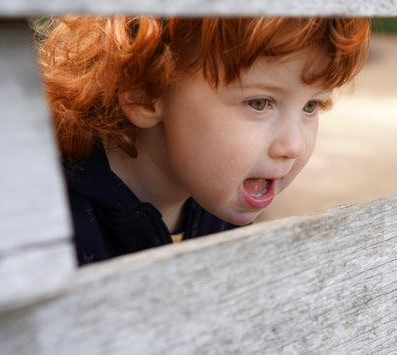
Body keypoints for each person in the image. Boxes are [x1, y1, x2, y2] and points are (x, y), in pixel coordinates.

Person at [35, 16, 370, 265]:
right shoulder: (55, 228)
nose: (294, 146)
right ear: (145, 92)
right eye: (258, 103)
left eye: (312, 105)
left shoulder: (217, 204)